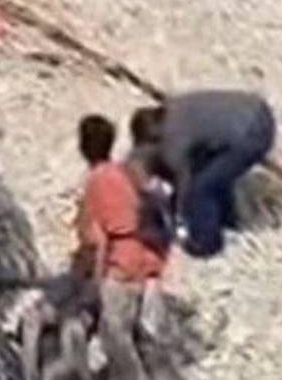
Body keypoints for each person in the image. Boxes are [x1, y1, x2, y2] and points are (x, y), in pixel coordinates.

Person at [74, 115, 174, 380]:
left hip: (121, 264)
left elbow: (97, 240)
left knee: (115, 336)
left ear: (82, 145)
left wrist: (94, 284)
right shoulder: (125, 172)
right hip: (147, 258)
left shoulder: (95, 181)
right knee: (143, 340)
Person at [138, 91, 275, 258]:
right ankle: (227, 218)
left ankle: (207, 243)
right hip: (256, 111)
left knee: (202, 189)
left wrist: (176, 212)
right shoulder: (174, 106)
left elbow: (184, 184)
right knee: (215, 172)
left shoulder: (172, 140)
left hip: (251, 135)